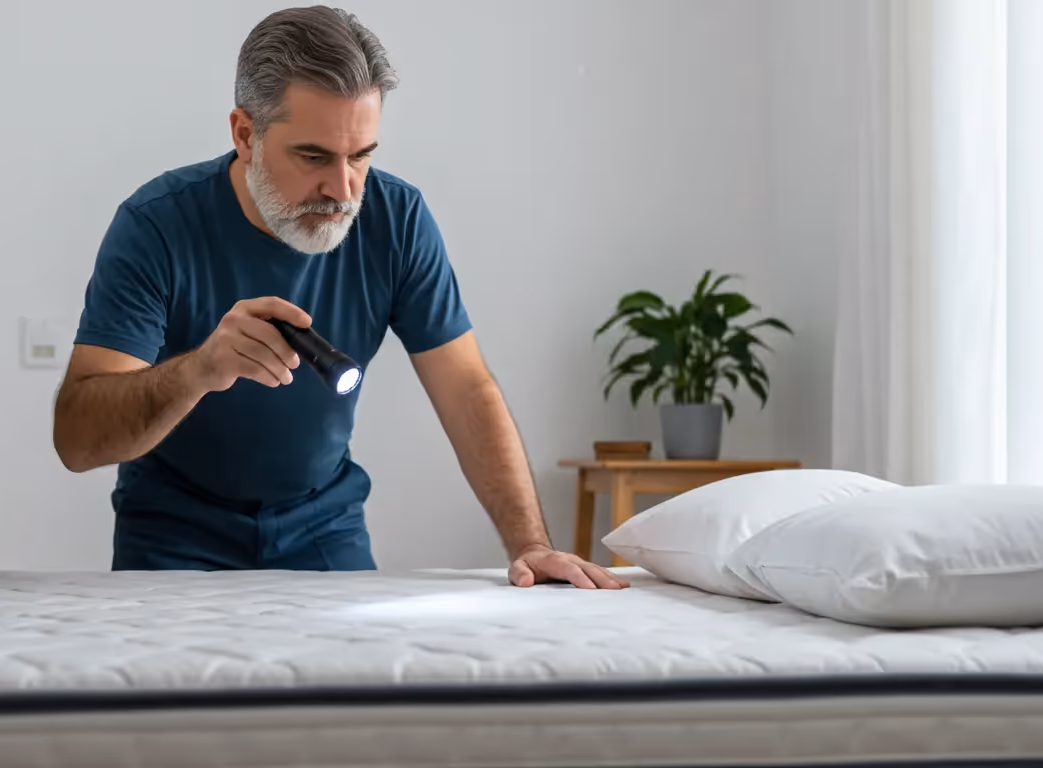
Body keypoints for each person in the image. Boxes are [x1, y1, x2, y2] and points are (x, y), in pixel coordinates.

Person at [52, 5, 627, 590]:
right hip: (172, 531)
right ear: (245, 135)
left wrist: (531, 544)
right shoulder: (156, 226)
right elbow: (76, 440)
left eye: (362, 155)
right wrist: (199, 370)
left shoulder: (397, 219)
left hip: (323, 526)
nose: (343, 188)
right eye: (314, 157)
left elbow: (467, 391)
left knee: (364, 677)